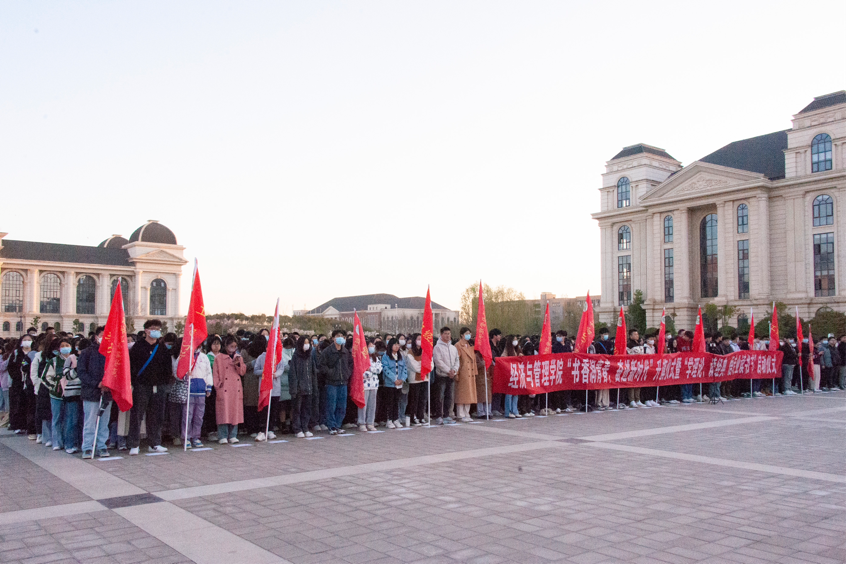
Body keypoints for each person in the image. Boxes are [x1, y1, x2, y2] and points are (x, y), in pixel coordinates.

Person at [127, 320, 173, 455]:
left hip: (159, 386)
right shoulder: (138, 347)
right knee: (137, 415)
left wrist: (163, 382)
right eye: (153, 328)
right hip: (142, 385)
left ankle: (155, 443)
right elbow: (132, 366)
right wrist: (135, 382)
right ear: (146, 330)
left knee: (157, 415)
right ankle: (134, 444)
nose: (156, 331)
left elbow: (167, 367)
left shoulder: (162, 348)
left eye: (158, 329)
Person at [78, 326, 111, 459]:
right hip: (91, 392)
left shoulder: (112, 353)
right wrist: (96, 383)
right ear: (97, 337)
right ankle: (87, 447)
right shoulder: (87, 352)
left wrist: (109, 384)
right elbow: (81, 372)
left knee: (104, 422)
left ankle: (101, 445)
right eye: (102, 335)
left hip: (107, 392)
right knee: (90, 421)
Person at [318, 330, 352, 435]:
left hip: (343, 382)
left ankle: (338, 425)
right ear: (333, 338)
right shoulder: (327, 351)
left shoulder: (345, 351)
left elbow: (350, 364)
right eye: (338, 336)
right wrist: (330, 373)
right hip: (331, 382)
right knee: (331, 405)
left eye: (342, 336)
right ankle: (331, 426)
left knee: (342, 406)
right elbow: (322, 365)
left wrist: (347, 373)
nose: (340, 338)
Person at [213, 335, 246, 443]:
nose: (233, 348)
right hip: (224, 388)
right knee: (223, 411)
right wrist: (218, 385)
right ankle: (222, 435)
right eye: (231, 346)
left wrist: (238, 364)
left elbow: (242, 372)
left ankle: (233, 434)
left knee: (235, 411)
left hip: (235, 388)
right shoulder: (219, 358)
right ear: (226, 345)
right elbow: (215, 373)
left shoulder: (238, 357)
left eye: (235, 346)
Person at [182, 342, 213, 448]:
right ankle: (186, 437)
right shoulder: (185, 356)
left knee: (199, 416)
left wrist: (209, 386)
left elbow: (208, 372)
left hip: (201, 390)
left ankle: (196, 437)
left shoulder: (204, 357)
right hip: (189, 389)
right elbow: (178, 370)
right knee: (188, 415)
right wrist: (185, 375)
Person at [289, 336, 316, 438]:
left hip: (309, 387)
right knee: (297, 409)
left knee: (307, 409)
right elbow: (293, 373)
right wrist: (295, 388)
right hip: (299, 388)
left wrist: (313, 385)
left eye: (308, 342)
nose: (307, 345)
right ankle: (297, 429)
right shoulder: (296, 356)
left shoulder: (310, 356)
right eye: (305, 343)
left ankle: (305, 427)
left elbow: (313, 372)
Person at [432, 327, 459, 425]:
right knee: (440, 396)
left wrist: (454, 370)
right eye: (446, 333)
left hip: (451, 376)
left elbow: (457, 360)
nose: (448, 335)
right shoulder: (437, 347)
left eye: (449, 333)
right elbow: (438, 361)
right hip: (441, 375)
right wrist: (448, 370)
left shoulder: (453, 348)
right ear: (441, 334)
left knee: (449, 396)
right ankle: (439, 416)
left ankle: (447, 415)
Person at [380, 337, 407, 429]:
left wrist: (402, 379)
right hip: (390, 383)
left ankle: (396, 419)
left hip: (399, 384)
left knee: (396, 401)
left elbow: (404, 368)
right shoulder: (386, 356)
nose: (397, 346)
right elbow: (385, 368)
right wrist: (394, 379)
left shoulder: (401, 356)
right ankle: (389, 420)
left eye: (398, 344)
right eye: (395, 344)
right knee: (390, 402)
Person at [405, 333, 430, 426]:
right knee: (414, 399)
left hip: (425, 378)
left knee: (423, 399)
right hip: (415, 379)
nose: (420, 341)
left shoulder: (425, 351)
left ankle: (421, 416)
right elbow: (414, 366)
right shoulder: (410, 352)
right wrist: (423, 366)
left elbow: (430, 363)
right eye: (418, 339)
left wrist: (426, 367)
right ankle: (413, 417)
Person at [454, 328, 478, 422]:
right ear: (462, 335)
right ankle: (460, 414)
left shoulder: (470, 346)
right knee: (461, 395)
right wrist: (457, 373)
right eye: (467, 333)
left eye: (469, 333)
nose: (469, 335)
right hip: (463, 372)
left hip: (470, 373)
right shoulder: (458, 345)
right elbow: (457, 360)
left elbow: (474, 360)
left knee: (469, 394)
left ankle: (467, 413)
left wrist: (475, 372)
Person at [501, 336, 522, 418]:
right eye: (514, 340)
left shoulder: (517, 349)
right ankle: (508, 411)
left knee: (516, 393)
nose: (515, 341)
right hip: (510, 373)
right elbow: (502, 358)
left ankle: (515, 410)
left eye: (516, 340)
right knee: (509, 393)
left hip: (517, 373)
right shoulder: (507, 350)